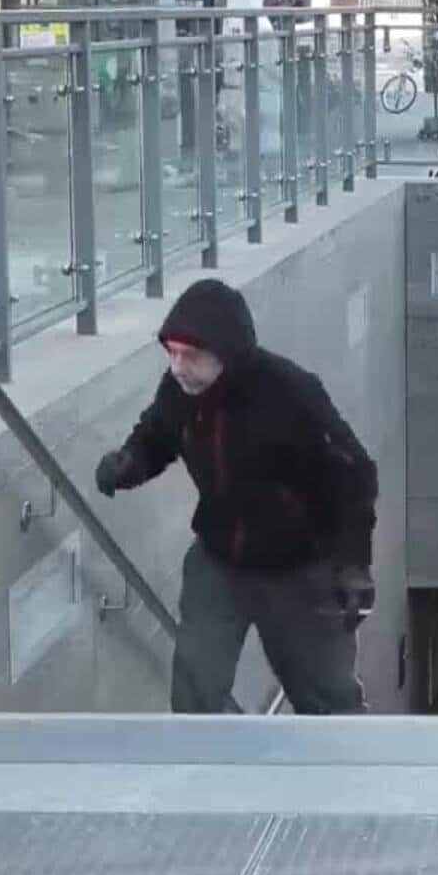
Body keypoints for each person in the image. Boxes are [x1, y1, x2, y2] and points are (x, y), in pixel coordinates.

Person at [94, 278, 379, 715]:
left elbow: (354, 474)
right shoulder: (180, 392)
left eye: (191, 356)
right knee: (196, 686)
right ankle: (201, 770)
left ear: (226, 354)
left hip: (301, 568)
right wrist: (128, 464)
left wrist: (354, 564)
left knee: (327, 699)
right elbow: (156, 436)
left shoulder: (291, 394)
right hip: (220, 559)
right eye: (171, 352)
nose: (177, 366)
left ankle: (344, 776)